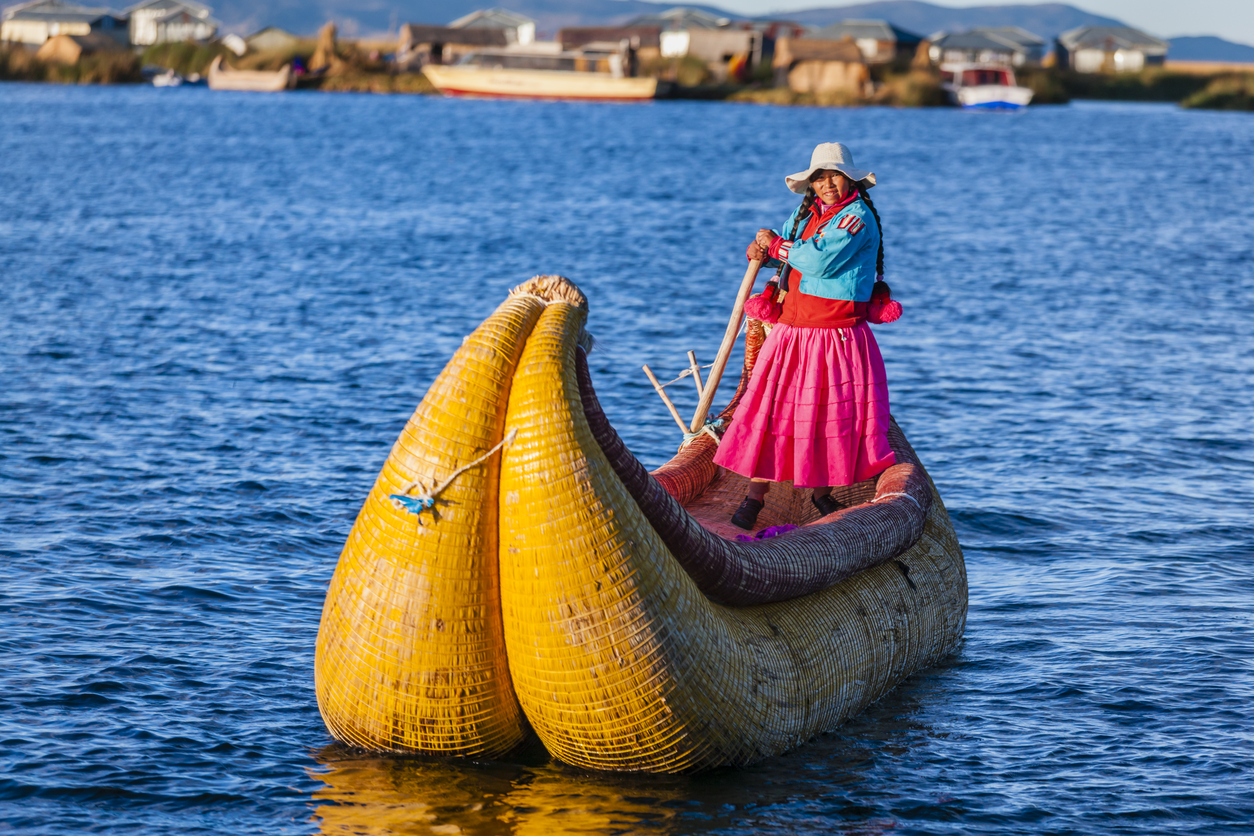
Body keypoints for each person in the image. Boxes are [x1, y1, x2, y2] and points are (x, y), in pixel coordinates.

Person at [713, 142, 898, 530]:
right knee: (772, 412)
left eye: (835, 175)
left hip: (832, 336)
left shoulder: (856, 218)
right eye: (820, 177)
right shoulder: (805, 215)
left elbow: (817, 260)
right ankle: (754, 498)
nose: (828, 183)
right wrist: (761, 248)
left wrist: (776, 246)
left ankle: (821, 494)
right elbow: (784, 243)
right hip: (792, 332)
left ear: (850, 180)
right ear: (811, 184)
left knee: (827, 416)